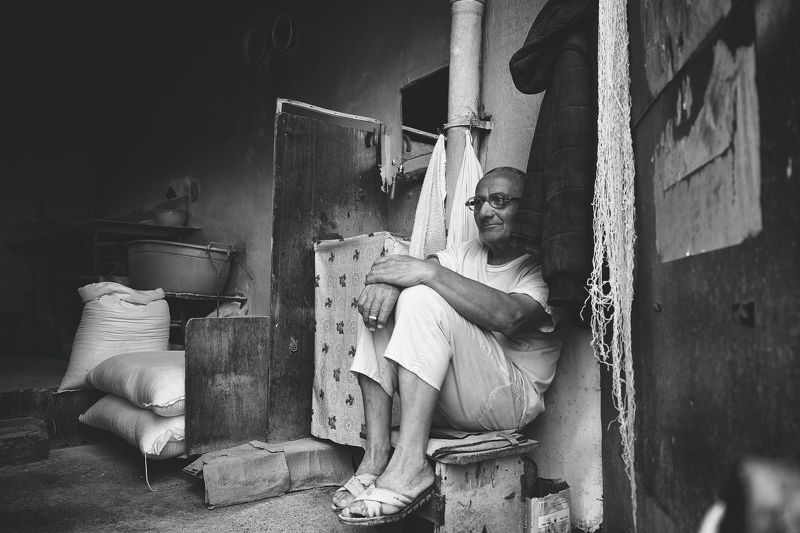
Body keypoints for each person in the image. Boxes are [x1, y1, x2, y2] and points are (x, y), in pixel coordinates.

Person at [333, 167, 563, 525]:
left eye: (499, 200)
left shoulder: (540, 266)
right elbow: (424, 266)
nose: (485, 211)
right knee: (385, 305)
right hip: (456, 398)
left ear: (526, 206)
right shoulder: (467, 252)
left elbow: (510, 316)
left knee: (422, 296)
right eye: (478, 202)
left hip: (509, 403)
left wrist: (427, 275)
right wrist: (389, 284)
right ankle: (376, 457)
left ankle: (410, 465)